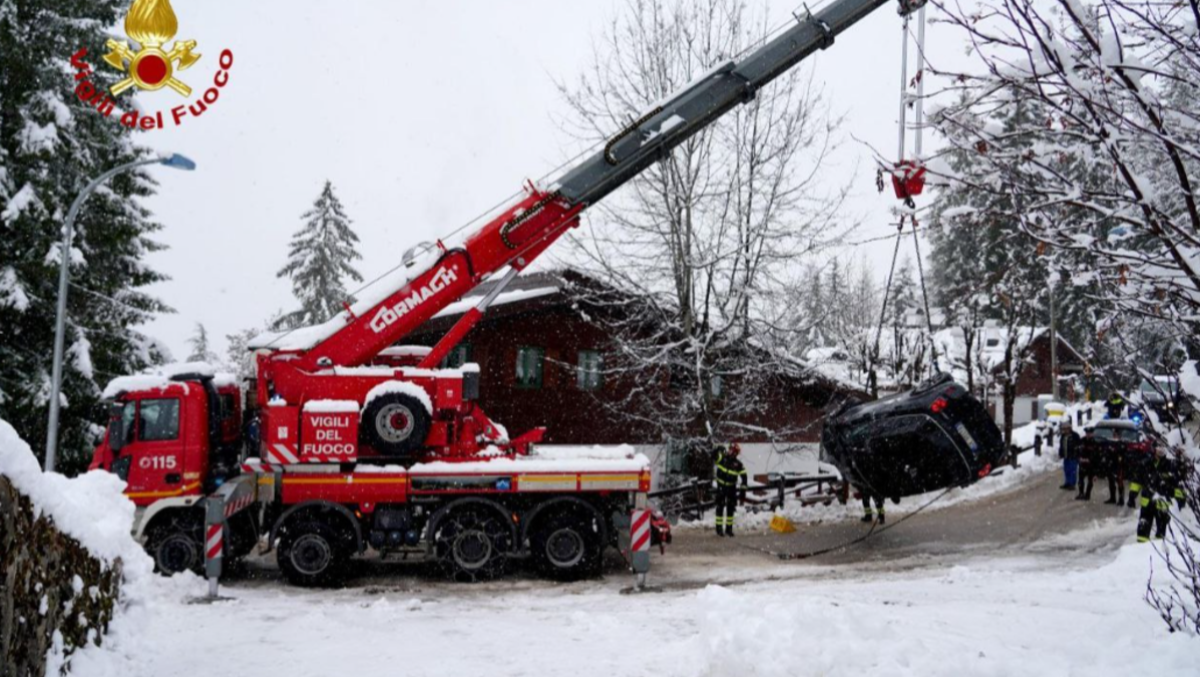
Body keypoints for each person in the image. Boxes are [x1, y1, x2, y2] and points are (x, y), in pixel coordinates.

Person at [1131, 443, 1187, 543]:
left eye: (1163, 448)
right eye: (1158, 448)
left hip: (1162, 504)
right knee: (1143, 527)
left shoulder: (1171, 465)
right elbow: (1137, 481)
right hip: (1147, 502)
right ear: (1154, 449)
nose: (1161, 451)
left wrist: (1180, 498)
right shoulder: (1145, 464)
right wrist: (1132, 495)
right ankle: (1141, 548)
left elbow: (1178, 484)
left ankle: (1160, 547)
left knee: (1162, 531)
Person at [714, 443, 748, 537]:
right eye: (729, 449)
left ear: (735, 453)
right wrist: (717, 449)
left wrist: (743, 490)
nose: (729, 451)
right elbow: (713, 456)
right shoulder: (722, 459)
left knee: (730, 509)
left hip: (731, 489)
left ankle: (729, 529)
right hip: (721, 488)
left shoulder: (738, 464)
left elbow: (744, 477)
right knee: (720, 508)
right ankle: (719, 529)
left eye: (732, 450)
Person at [1059, 421, 1081, 491]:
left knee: (1072, 470)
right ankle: (1067, 482)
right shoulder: (1063, 436)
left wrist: (1077, 454)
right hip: (1066, 456)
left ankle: (1072, 484)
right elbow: (1061, 446)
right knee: (1066, 470)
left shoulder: (1075, 436)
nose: (1065, 430)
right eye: (1064, 429)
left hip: (1073, 456)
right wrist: (1061, 453)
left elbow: (1079, 446)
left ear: (1069, 428)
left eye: (1066, 429)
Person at [1076, 428, 1096, 501]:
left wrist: (1090, 459)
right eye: (1087, 433)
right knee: (1080, 479)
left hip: (1091, 464)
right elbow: (1078, 450)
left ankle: (1087, 494)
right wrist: (1079, 458)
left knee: (1090, 480)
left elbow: (1096, 454)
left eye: (1090, 433)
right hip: (1082, 463)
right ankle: (1081, 493)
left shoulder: (1094, 442)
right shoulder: (1082, 440)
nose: (1088, 435)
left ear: (1092, 434)